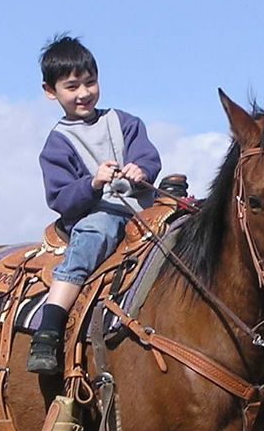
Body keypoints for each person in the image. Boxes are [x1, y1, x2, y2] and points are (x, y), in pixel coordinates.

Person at [27, 35, 162, 375]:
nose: (84, 93)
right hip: (98, 214)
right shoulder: (58, 143)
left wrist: (141, 169)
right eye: (71, 87)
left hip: (142, 207)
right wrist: (93, 183)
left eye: (90, 82)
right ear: (50, 91)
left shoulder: (125, 122)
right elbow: (60, 197)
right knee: (92, 235)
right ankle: (50, 327)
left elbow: (148, 156)